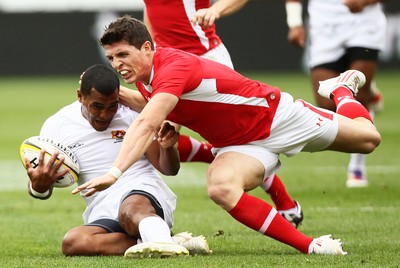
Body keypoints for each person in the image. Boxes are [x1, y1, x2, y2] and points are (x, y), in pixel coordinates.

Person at [74, 16, 381, 255]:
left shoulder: (173, 68)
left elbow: (146, 123)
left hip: (276, 118)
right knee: (221, 187)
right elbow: (151, 104)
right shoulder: (144, 77)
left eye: (122, 55)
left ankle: (341, 91)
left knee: (369, 140)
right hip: (237, 144)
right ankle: (311, 245)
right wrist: (110, 94)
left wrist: (114, 173)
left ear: (146, 48)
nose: (117, 64)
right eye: (112, 58)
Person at [139, 0, 304, 228]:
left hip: (206, 62)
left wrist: (215, 10)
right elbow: (152, 9)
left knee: (238, 143)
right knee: (163, 135)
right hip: (167, 64)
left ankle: (284, 202)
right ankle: (285, 204)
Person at [22, 64, 211, 258]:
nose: (105, 114)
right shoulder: (57, 125)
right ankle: (165, 239)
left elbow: (168, 169)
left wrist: (169, 147)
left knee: (129, 212)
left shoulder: (133, 116)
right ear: (80, 96)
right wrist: (38, 186)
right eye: (97, 106)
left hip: (142, 193)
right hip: (101, 208)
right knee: (74, 242)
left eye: (112, 106)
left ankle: (160, 239)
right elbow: (40, 187)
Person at [285, 0, 386, 187]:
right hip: (324, 23)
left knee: (358, 98)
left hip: (363, 21)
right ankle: (367, 88)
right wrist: (295, 22)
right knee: (328, 103)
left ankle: (356, 167)